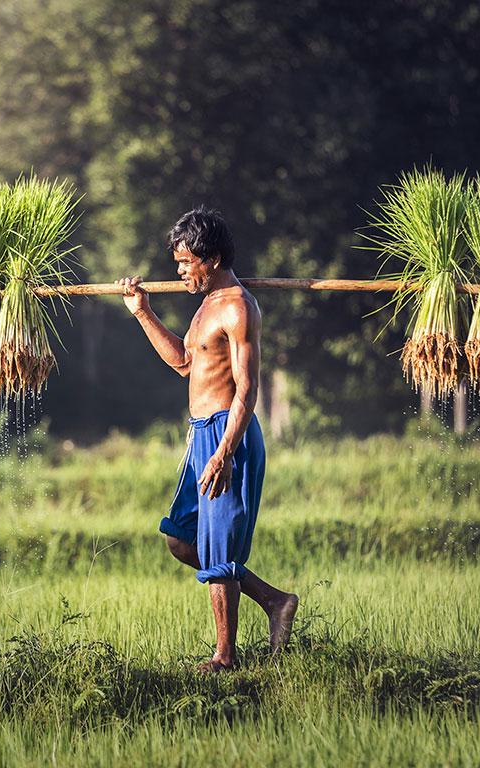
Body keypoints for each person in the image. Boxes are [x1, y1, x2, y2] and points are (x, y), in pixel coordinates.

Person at [117, 207, 298, 673]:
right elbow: (183, 362)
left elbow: (247, 389)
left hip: (226, 433)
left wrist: (225, 451)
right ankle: (275, 602)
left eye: (185, 263)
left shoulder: (237, 306)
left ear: (212, 258)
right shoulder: (206, 306)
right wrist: (143, 313)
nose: (179, 273)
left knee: (219, 549)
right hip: (201, 435)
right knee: (180, 539)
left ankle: (225, 657)